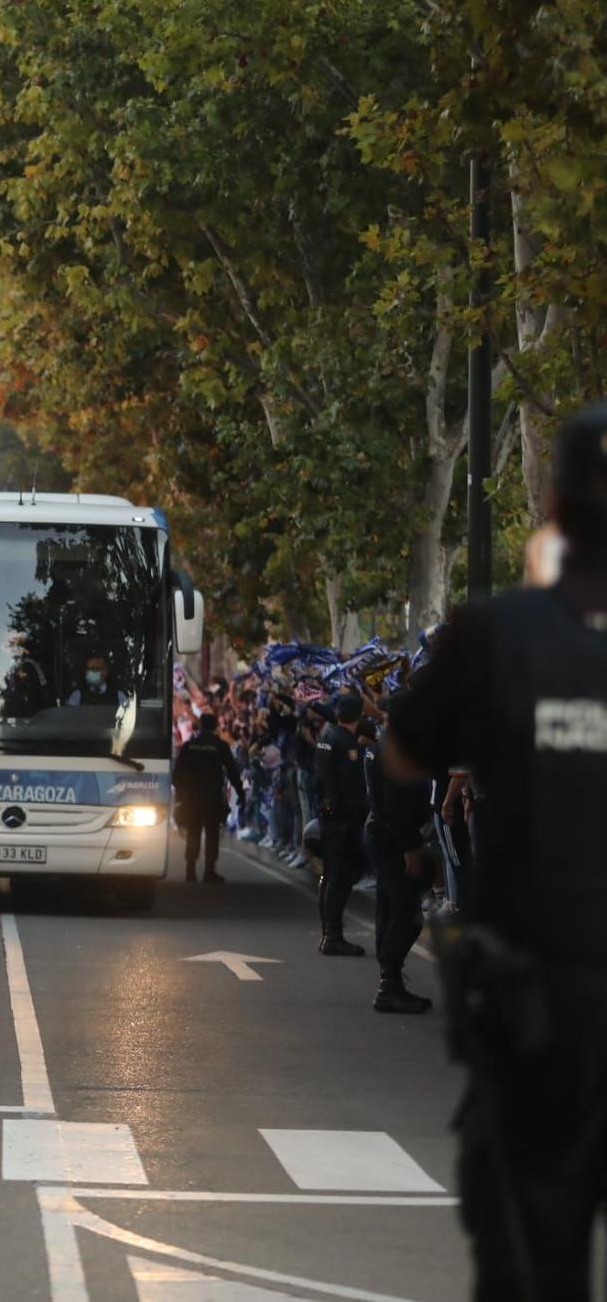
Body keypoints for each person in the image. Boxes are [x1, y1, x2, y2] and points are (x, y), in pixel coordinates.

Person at [386, 402, 607, 1298]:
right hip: (541, 995)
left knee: (531, 1255)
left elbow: (402, 750)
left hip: (539, 1005)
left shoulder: (497, 634)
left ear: (549, 502)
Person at [361, 716, 434, 1015]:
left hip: (382, 835)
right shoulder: (395, 751)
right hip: (393, 840)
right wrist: (409, 848)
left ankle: (389, 981)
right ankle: (388, 986)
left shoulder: (381, 746)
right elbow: (398, 804)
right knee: (408, 913)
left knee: (389, 907)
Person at [312, 693, 369, 957]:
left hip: (327, 814)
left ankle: (328, 930)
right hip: (343, 820)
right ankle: (333, 935)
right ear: (359, 715)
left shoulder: (326, 736)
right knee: (339, 879)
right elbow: (354, 790)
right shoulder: (347, 744)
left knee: (330, 876)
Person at [172, 711, 244, 882]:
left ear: (201, 725)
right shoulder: (220, 746)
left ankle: (190, 871)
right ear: (215, 727)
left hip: (192, 796)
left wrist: (181, 795)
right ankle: (209, 871)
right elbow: (233, 771)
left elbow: (177, 774)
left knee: (193, 832)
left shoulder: (190, 746)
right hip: (212, 796)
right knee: (212, 834)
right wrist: (240, 792)